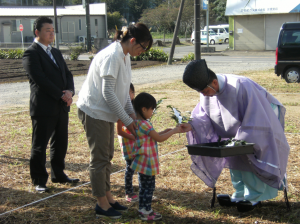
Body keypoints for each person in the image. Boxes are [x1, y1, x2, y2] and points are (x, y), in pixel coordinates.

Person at [180, 59, 290, 212]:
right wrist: (191, 125)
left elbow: (256, 115)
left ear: (214, 82)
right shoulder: (207, 92)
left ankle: (255, 195)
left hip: (261, 121)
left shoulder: (240, 85)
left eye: (205, 91)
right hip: (238, 129)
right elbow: (203, 116)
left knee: (250, 155)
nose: (204, 95)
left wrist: (240, 138)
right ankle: (240, 192)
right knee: (234, 155)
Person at [77, 23, 153, 219]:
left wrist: (133, 116)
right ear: (133, 40)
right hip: (95, 111)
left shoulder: (125, 55)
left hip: (105, 113)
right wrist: (128, 121)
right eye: (143, 47)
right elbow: (108, 92)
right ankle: (101, 203)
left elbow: (124, 93)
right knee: (100, 158)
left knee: (108, 155)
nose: (143, 51)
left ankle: (108, 197)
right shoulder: (113, 55)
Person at [22, 16, 79, 193]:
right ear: (37, 32)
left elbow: (67, 74)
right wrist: (61, 95)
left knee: (60, 142)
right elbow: (40, 79)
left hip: (61, 106)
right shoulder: (31, 53)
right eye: (48, 30)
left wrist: (70, 91)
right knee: (40, 144)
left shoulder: (55, 52)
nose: (52, 33)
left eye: (53, 30)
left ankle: (58, 173)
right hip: (44, 107)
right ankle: (39, 179)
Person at [131, 92, 184, 221]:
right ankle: (147, 211)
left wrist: (166, 131)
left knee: (143, 187)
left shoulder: (137, 123)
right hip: (148, 162)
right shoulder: (145, 124)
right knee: (149, 188)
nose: (152, 112)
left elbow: (153, 136)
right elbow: (159, 139)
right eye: (152, 109)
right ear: (144, 109)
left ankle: (142, 208)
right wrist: (174, 131)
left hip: (141, 162)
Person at [116, 83, 138, 202]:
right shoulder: (120, 110)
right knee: (130, 168)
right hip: (128, 145)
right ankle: (128, 192)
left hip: (138, 144)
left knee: (140, 167)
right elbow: (119, 131)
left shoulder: (136, 109)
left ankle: (142, 190)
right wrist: (133, 137)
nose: (127, 95)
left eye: (129, 92)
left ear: (133, 94)